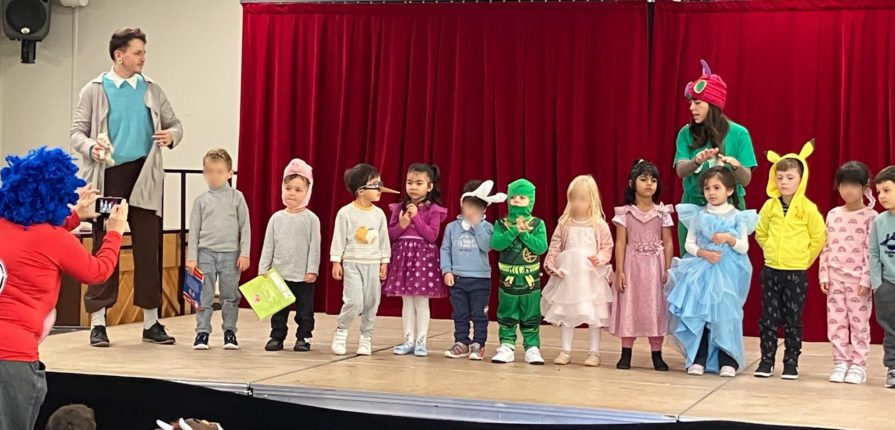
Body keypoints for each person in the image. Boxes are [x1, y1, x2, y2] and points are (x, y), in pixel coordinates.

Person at [71, 27, 183, 347]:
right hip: (110, 177)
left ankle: (151, 322)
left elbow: (176, 124)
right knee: (106, 244)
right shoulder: (93, 90)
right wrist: (91, 147)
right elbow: (76, 132)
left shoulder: (152, 89)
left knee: (149, 247)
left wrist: (171, 136)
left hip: (145, 176)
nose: (142, 57)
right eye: (137, 52)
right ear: (119, 55)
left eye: (144, 52)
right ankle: (98, 321)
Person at [0, 147, 126, 430]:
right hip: (12, 359)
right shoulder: (55, 240)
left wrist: (74, 217)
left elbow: (30, 237)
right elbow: (97, 271)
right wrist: (115, 232)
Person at [666, 167, 758, 377]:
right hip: (701, 272)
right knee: (701, 314)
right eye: (707, 188)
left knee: (725, 315)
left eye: (717, 187)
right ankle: (698, 357)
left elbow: (744, 247)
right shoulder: (698, 215)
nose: (711, 192)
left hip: (729, 272)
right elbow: (689, 244)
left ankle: (728, 358)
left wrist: (728, 239)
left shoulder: (737, 216)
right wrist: (703, 253)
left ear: (730, 191)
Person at [754, 141, 826, 380]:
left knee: (793, 319)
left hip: (795, 272)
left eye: (789, 177)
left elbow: (818, 237)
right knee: (768, 318)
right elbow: (761, 232)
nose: (784, 182)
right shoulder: (769, 206)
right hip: (771, 270)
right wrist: (771, 251)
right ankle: (766, 360)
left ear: (801, 179)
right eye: (780, 177)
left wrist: (803, 260)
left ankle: (791, 361)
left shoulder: (808, 209)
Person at [673, 59, 757, 254]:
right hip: (694, 206)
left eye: (697, 102)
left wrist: (736, 166)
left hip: (729, 209)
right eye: (690, 103)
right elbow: (680, 170)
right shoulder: (686, 133)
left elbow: (746, 180)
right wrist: (697, 161)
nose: (691, 108)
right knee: (693, 264)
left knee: (725, 263)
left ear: (713, 104)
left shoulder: (739, 134)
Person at [542, 175, 613, 367]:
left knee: (594, 315)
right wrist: (550, 265)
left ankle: (594, 352)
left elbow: (607, 246)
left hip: (591, 277)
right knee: (567, 313)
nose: (576, 203)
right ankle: (565, 350)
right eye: (573, 199)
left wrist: (601, 258)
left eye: (582, 199)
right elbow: (555, 246)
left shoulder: (599, 224)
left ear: (592, 200)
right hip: (570, 277)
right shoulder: (564, 223)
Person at [611, 160, 675, 371]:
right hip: (632, 266)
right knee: (631, 304)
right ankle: (626, 352)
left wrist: (667, 268)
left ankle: (657, 353)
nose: (649, 184)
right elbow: (620, 242)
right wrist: (619, 270)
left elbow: (668, 241)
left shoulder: (662, 212)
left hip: (655, 268)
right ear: (632, 183)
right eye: (644, 179)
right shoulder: (625, 213)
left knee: (655, 306)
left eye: (653, 180)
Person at [186, 149, 251, 350]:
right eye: (210, 171)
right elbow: (194, 230)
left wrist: (244, 253)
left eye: (220, 171)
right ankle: (202, 333)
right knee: (204, 295)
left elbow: (245, 227)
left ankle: (230, 331)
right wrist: (192, 257)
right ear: (204, 173)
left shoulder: (237, 198)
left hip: (231, 254)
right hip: (205, 253)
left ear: (230, 173)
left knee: (230, 295)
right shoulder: (201, 201)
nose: (214, 176)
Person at [818, 161, 876, 384]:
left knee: (859, 322)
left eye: (853, 185)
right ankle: (840, 361)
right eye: (843, 185)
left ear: (864, 187)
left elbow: (871, 251)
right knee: (836, 321)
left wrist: (866, 278)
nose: (848, 190)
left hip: (858, 281)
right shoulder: (833, 214)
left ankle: (859, 364)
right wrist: (824, 274)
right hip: (835, 279)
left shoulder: (871, 216)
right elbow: (826, 246)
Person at [330, 164, 396, 356]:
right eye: (375, 184)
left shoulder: (379, 214)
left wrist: (385, 261)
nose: (380, 188)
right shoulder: (345, 213)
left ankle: (366, 338)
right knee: (354, 301)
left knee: (371, 302)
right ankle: (341, 331)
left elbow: (384, 239)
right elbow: (339, 237)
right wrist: (336, 260)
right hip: (352, 263)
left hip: (373, 264)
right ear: (360, 190)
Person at [384, 164, 448, 357]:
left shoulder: (434, 210)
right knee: (407, 302)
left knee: (421, 302)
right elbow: (391, 235)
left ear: (429, 187)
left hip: (423, 260)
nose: (412, 187)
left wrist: (416, 218)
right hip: (403, 257)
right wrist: (403, 223)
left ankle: (421, 342)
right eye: (409, 182)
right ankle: (408, 340)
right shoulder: (398, 208)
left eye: (418, 183)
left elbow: (432, 236)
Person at [260, 159, 321, 352]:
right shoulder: (276, 218)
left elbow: (315, 247)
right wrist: (264, 269)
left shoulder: (311, 219)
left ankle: (303, 337)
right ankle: (276, 336)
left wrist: (312, 270)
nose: (292, 193)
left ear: (307, 192)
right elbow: (268, 245)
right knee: (279, 310)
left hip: (303, 275)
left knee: (304, 311)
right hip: (279, 274)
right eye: (288, 188)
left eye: (298, 189)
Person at [441, 180, 505, 360]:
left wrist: (477, 226)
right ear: (462, 203)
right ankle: (461, 342)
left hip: (480, 279)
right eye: (468, 205)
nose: (470, 210)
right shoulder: (452, 227)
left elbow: (486, 246)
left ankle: (478, 344)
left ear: (484, 209)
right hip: (458, 278)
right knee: (460, 313)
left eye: (476, 207)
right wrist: (447, 270)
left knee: (479, 313)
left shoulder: (487, 227)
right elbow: (445, 249)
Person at [489, 179, 549, 365]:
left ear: (530, 201)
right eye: (513, 198)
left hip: (530, 282)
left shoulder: (538, 224)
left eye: (522, 198)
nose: (517, 201)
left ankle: (532, 348)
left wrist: (524, 234)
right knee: (507, 313)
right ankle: (507, 346)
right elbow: (496, 244)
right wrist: (514, 231)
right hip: (508, 282)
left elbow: (541, 248)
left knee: (531, 314)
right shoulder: (501, 224)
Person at [869, 166, 895, 389]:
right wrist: (877, 283)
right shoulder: (879, 221)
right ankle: (893, 368)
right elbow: (874, 253)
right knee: (891, 330)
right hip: (888, 284)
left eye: (887, 190)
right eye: (879, 192)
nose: (882, 196)